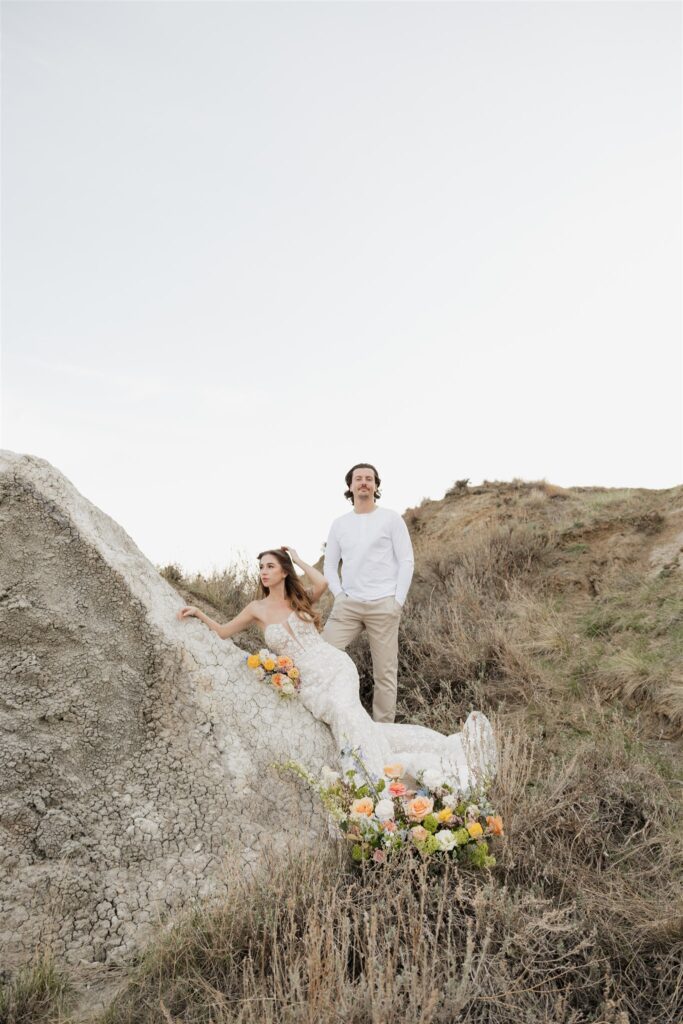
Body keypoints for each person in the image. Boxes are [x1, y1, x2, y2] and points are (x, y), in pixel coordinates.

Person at [177, 546, 496, 792]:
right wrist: (198, 613)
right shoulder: (255, 609)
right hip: (308, 679)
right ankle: (426, 753)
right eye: (260, 567)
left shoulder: (299, 598)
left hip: (333, 665)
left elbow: (324, 582)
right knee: (353, 721)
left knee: (346, 712)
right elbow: (222, 631)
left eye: (270, 566)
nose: (263, 572)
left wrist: (299, 559)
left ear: (283, 572)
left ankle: (372, 779)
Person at [322, 463, 414, 723]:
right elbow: (330, 565)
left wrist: (397, 602)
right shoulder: (340, 524)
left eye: (369, 479)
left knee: (384, 674)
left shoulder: (391, 518)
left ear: (376, 485)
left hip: (383, 604)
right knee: (322, 654)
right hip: (349, 605)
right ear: (350, 486)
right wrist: (339, 596)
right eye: (358, 479)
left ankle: (383, 731)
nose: (364, 482)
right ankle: (330, 715)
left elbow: (406, 561)